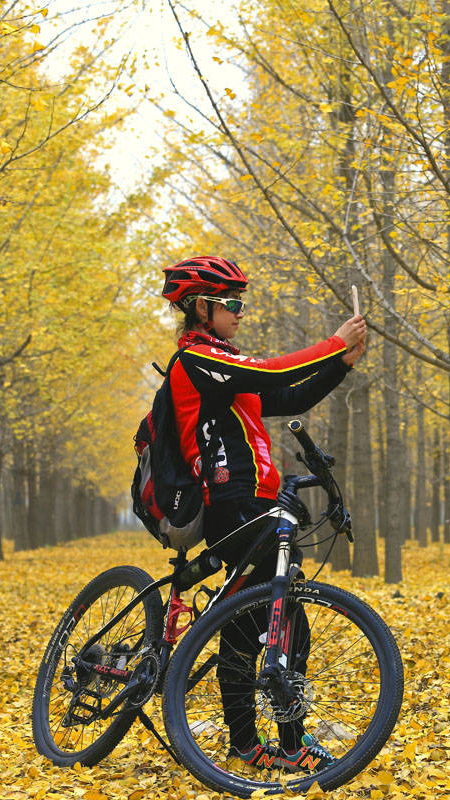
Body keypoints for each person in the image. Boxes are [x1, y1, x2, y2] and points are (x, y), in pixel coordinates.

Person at [160, 255, 366, 773]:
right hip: (230, 502)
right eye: (230, 303)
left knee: (276, 618)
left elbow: (287, 393)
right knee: (254, 620)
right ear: (198, 307)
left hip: (259, 500)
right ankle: (251, 743)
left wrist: (340, 366)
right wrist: (334, 342)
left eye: (240, 303)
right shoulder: (196, 360)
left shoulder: (225, 368)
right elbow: (274, 369)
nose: (240, 312)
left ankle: (279, 744)